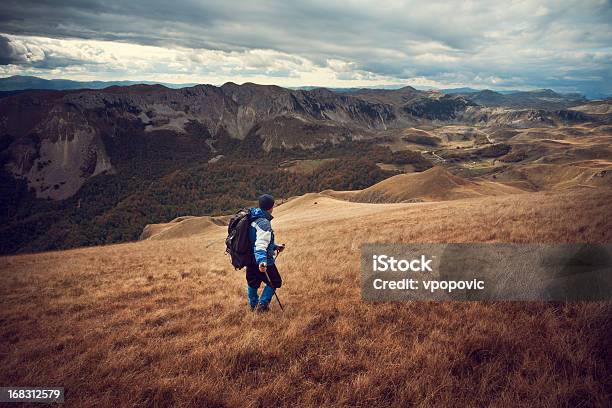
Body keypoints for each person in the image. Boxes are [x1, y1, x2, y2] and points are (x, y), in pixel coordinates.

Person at [246, 194, 285, 312]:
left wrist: (275, 246)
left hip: (250, 258)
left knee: (253, 282)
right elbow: (260, 245)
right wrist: (262, 262)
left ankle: (253, 305)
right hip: (262, 260)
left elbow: (255, 240)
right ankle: (262, 306)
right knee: (275, 281)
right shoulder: (264, 223)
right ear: (271, 207)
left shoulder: (253, 218)